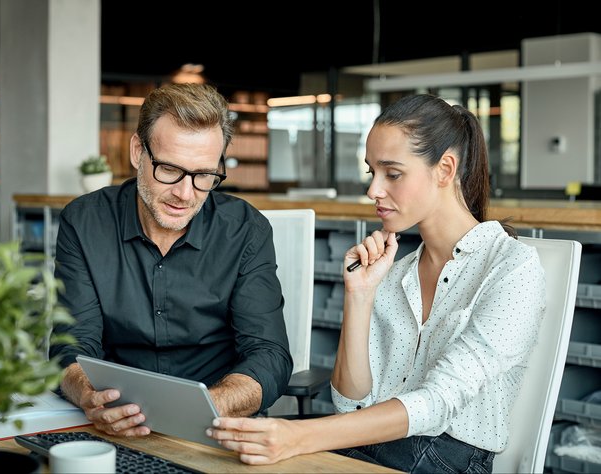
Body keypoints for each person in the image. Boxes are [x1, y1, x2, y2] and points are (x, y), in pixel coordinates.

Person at [207, 93, 546, 473]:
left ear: (445, 169)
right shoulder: (396, 273)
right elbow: (350, 404)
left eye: (393, 174)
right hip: (377, 446)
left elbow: (438, 404)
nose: (373, 191)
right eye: (372, 172)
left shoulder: (512, 268)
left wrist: (299, 437)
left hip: (448, 459)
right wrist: (360, 295)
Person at [49, 82, 293, 438]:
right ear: (137, 151)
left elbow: (268, 355)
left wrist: (206, 406)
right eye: (168, 169)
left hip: (216, 423)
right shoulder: (84, 222)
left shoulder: (246, 231)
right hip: (115, 422)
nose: (184, 193)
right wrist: (90, 396)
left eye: (204, 176)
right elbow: (71, 345)